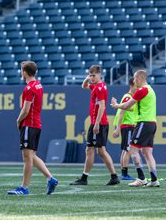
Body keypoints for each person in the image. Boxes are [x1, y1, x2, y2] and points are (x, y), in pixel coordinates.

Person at [7, 61, 58, 195]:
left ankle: (24, 187)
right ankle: (50, 178)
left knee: (27, 158)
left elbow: (25, 109)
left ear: (24, 72)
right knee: (32, 156)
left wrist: (18, 120)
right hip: (36, 124)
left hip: (29, 124)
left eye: (21, 70)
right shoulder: (39, 85)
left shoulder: (29, 88)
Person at [70, 65, 120, 186]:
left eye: (94, 75)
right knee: (94, 150)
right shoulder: (97, 86)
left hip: (99, 123)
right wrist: (87, 78)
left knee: (98, 151)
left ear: (100, 75)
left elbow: (102, 106)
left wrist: (97, 124)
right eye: (90, 75)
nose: (92, 78)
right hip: (97, 123)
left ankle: (110, 176)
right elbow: (84, 86)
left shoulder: (99, 89)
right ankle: (88, 177)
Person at [111, 70, 160, 187]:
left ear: (138, 78)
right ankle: (154, 180)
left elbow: (127, 105)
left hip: (143, 123)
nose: (133, 81)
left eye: (134, 78)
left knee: (132, 149)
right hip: (152, 124)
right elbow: (132, 108)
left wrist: (116, 105)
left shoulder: (142, 90)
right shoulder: (150, 90)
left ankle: (141, 178)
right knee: (147, 152)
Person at [112, 77, 142, 181]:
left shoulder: (130, 97)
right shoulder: (128, 97)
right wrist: (117, 128)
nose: (137, 88)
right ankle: (125, 174)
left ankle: (124, 172)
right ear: (131, 86)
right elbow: (121, 113)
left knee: (126, 150)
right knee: (128, 150)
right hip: (128, 126)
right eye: (136, 86)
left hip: (128, 126)